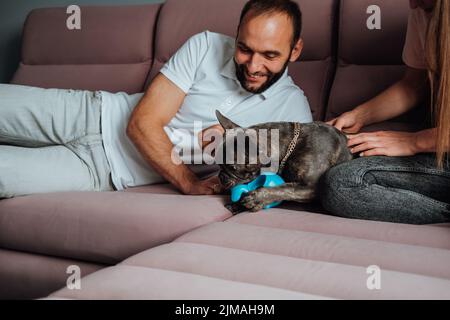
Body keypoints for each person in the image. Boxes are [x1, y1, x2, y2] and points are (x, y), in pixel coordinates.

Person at [0, 0, 312, 199]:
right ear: (237, 34)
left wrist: (232, 144)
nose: (254, 66)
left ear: (295, 50)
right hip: (90, 113)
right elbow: (141, 123)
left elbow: (276, 176)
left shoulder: (294, 111)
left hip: (101, 171)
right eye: (245, 49)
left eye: (270, 55)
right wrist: (188, 182)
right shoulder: (205, 46)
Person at [321, 0, 450, 224]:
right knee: (343, 183)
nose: (410, 5)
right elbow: (414, 85)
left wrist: (415, 142)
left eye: (425, 5)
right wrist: (359, 115)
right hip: (443, 161)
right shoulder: (420, 10)